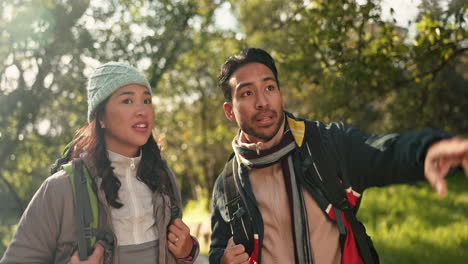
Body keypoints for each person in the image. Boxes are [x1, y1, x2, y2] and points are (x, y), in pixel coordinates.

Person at [209, 48, 468, 264]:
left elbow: (384, 150)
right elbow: (218, 250)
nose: (262, 102)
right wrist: (223, 260)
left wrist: (428, 151)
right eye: (247, 93)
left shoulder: (326, 143)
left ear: (280, 94)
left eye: (269, 87)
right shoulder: (228, 184)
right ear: (230, 111)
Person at [1, 62, 199, 264]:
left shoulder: (163, 179)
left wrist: (188, 253)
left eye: (146, 100)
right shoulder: (60, 188)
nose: (142, 110)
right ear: (101, 117)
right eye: (128, 100)